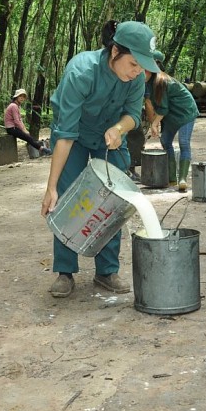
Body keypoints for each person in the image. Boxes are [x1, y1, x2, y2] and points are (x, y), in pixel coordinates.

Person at [41, 20, 160, 299]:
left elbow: (133, 115)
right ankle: (65, 271)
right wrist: (51, 186)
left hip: (109, 139)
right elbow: (66, 134)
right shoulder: (81, 72)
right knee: (68, 198)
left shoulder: (134, 78)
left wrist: (119, 128)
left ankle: (106, 271)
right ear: (115, 51)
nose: (138, 72)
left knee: (115, 200)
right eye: (133, 64)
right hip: (75, 136)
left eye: (142, 66)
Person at [145, 51, 199, 192]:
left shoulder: (161, 81)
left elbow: (162, 109)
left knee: (184, 142)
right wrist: (153, 124)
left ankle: (182, 179)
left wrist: (155, 123)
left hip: (185, 113)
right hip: (170, 115)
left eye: (145, 69)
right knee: (165, 141)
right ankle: (171, 178)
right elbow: (150, 104)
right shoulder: (145, 82)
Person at [5, 89, 51, 155]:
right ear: (16, 97)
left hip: (14, 128)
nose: (22, 98)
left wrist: (25, 129)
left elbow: (20, 120)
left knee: (28, 137)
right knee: (28, 137)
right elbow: (17, 121)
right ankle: (43, 149)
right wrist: (24, 130)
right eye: (20, 96)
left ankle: (42, 149)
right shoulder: (14, 106)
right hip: (11, 129)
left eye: (23, 96)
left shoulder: (16, 106)